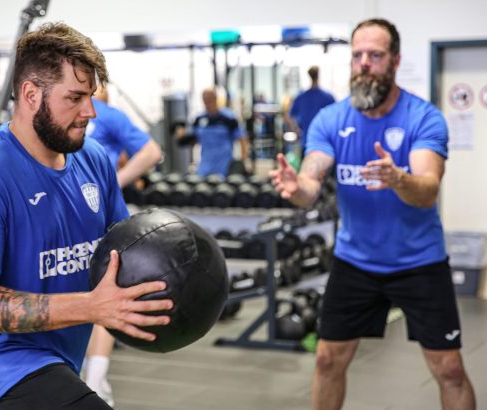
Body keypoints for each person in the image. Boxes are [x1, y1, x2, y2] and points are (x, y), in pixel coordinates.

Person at [0, 23, 173, 410]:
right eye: (76, 98)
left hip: (61, 352)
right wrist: (91, 307)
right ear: (31, 94)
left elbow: (121, 250)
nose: (90, 111)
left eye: (91, 96)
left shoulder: (93, 159)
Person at [270, 18, 476, 409]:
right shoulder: (331, 119)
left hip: (419, 261)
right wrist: (297, 189)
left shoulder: (423, 118)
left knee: (448, 368)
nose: (364, 63)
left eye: (375, 55)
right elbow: (310, 184)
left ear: (395, 61)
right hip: (356, 261)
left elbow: (427, 190)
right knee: (328, 359)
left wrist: (400, 179)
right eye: (357, 55)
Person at [82, 83, 162, 405]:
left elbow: (152, 152)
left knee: (100, 296)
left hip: (99, 216)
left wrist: (113, 183)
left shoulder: (108, 116)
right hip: (66, 217)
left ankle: (96, 381)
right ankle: (91, 380)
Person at [190, 88, 248, 177]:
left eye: (210, 100)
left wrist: (242, 161)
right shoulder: (199, 119)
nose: (207, 104)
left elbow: (242, 139)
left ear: (215, 99)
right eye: (205, 100)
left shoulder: (229, 118)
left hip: (225, 169)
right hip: (204, 169)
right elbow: (192, 140)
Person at [286, 66, 335, 155]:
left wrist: (297, 131)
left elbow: (289, 116)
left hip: (306, 143)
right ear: (318, 75)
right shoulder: (328, 97)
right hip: (324, 145)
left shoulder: (301, 97)